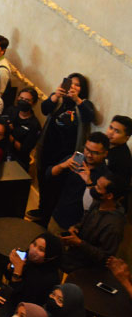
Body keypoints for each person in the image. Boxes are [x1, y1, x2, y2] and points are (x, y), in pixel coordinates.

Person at [29, 73, 95, 224]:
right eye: (70, 83)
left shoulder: (84, 104)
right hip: (48, 149)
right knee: (44, 180)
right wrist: (55, 96)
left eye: (77, 85)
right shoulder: (59, 100)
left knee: (60, 187)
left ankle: (49, 218)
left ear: (82, 89)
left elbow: (88, 117)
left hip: (70, 155)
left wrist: (77, 99)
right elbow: (45, 109)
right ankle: (42, 210)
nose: (73, 86)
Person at [59, 170, 126, 271]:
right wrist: (75, 228)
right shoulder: (97, 203)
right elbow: (84, 220)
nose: (94, 188)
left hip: (86, 268)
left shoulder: (113, 226)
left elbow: (105, 258)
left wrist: (79, 243)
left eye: (98, 188)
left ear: (109, 196)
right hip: (73, 255)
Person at [49, 131, 109, 232]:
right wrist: (62, 166)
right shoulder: (77, 159)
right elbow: (49, 174)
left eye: (95, 152)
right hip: (58, 216)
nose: (89, 155)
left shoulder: (105, 175)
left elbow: (97, 205)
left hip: (79, 227)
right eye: (87, 149)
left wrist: (88, 182)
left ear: (105, 153)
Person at [2, 233, 62, 310]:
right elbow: (7, 276)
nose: (33, 250)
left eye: (41, 249)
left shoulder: (49, 279)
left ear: (50, 256)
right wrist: (11, 267)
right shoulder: (29, 258)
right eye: (34, 244)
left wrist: (17, 272)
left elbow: (19, 301)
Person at [4, 87, 42, 170]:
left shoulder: (34, 125)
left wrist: (9, 134)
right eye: (21, 98)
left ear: (33, 103)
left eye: (27, 100)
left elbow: (24, 150)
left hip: (17, 161)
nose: (23, 102)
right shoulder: (11, 110)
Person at [104, 114, 132, 181]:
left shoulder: (123, 158)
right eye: (110, 127)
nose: (110, 132)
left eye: (117, 131)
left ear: (126, 138)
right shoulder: (102, 141)